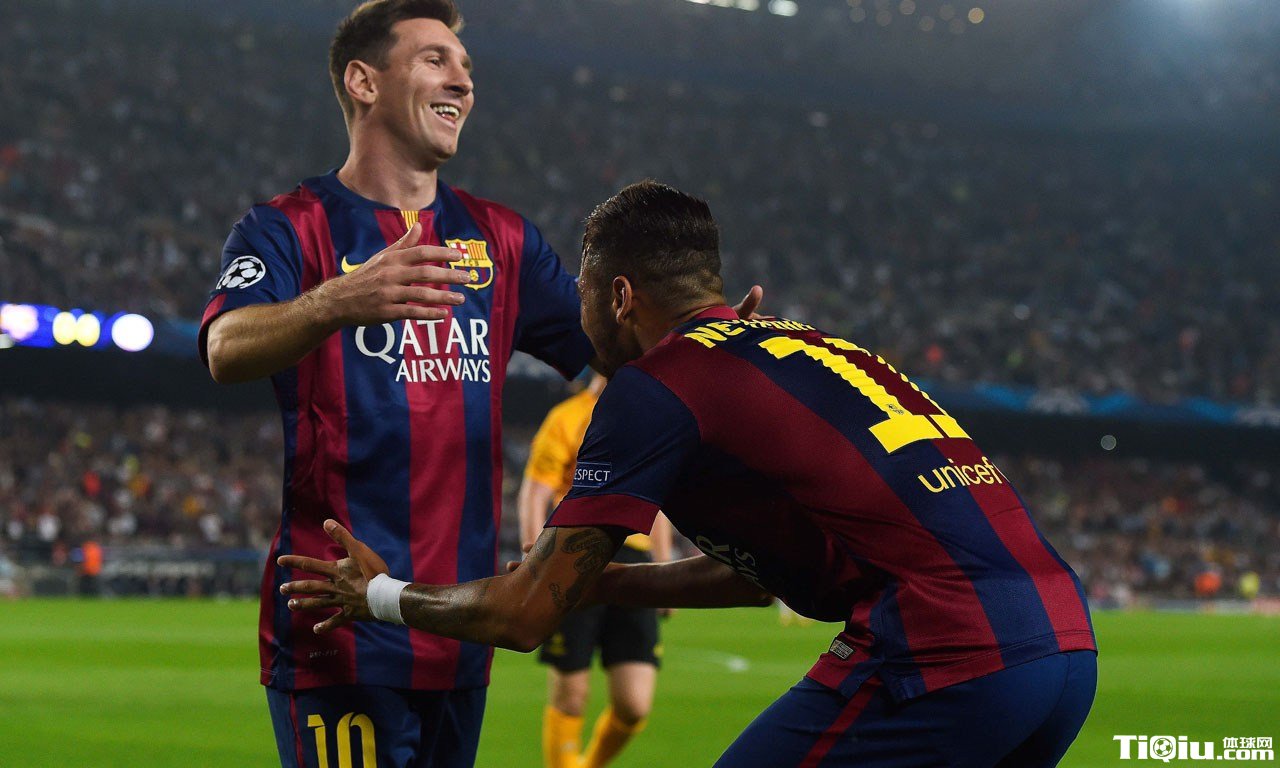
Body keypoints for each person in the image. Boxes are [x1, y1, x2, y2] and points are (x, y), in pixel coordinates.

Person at [280, 180, 1097, 767]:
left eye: (583, 296)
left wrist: (376, 596)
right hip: (1063, 649)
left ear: (620, 296)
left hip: (947, 653)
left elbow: (525, 617)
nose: (578, 317)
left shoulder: (654, 386)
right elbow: (756, 578)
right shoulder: (812, 345)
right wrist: (598, 584)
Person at [200, 3, 762, 764]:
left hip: (458, 624)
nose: (463, 81)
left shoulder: (502, 239)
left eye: (465, 66)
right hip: (339, 619)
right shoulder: (287, 229)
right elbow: (224, 346)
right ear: (363, 82)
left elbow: (621, 349)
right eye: (435, 59)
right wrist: (339, 300)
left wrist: (708, 346)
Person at [518, 373, 674, 768]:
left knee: (634, 704)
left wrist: (665, 568)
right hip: (574, 556)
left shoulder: (644, 417)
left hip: (634, 561)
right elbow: (535, 492)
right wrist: (535, 562)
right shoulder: (567, 417)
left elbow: (656, 502)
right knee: (571, 695)